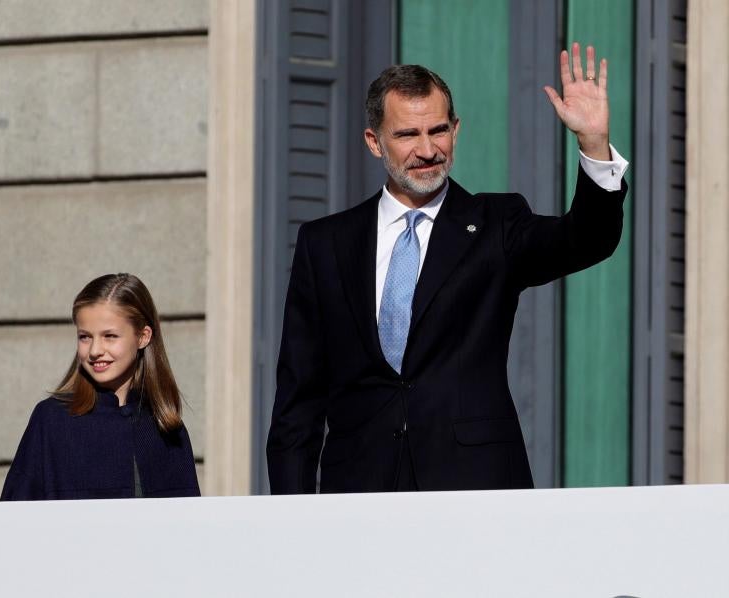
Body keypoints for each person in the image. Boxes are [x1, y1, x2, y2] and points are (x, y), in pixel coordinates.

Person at [267, 43, 629, 493]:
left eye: (438, 131)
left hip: (474, 488)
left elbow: (587, 240)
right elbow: (297, 402)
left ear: (455, 130)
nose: (427, 150)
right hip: (358, 491)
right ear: (373, 141)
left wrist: (593, 145)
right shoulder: (325, 243)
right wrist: (290, 516)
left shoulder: (497, 224)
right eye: (407, 135)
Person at [1, 273, 200, 500]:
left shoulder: (167, 429)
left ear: (143, 337)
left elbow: (189, 529)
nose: (95, 350)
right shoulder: (51, 421)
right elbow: (11, 523)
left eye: (110, 336)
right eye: (85, 337)